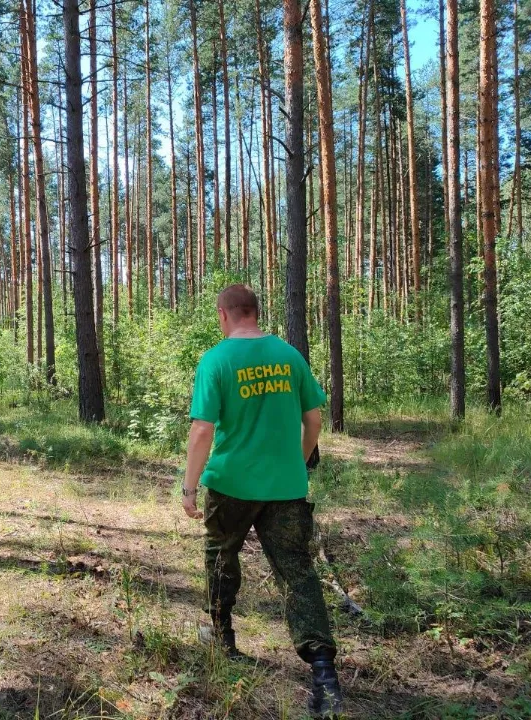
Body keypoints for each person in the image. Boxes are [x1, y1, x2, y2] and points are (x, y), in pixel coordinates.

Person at [181, 285, 343, 719]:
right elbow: (314, 418)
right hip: (286, 486)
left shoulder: (216, 360)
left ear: (224, 315)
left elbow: (202, 431)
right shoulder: (290, 356)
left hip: (230, 483)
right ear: (254, 312)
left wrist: (189, 487)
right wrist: (301, 457)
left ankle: (222, 636)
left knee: (220, 556)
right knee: (297, 572)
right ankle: (324, 671)